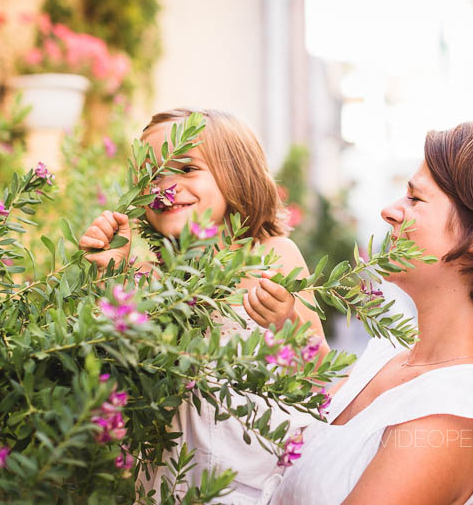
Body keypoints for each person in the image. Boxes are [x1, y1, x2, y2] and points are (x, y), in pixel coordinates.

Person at [269, 122, 473, 504]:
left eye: (415, 199)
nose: (389, 211)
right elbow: (326, 436)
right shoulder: (395, 354)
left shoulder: (448, 420)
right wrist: (291, 321)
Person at [77, 108, 328, 504]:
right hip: (168, 489)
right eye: (152, 175)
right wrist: (113, 273)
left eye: (187, 167)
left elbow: (322, 378)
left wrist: (287, 321)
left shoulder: (272, 255)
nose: (165, 188)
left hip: (253, 487)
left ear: (236, 174)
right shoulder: (147, 275)